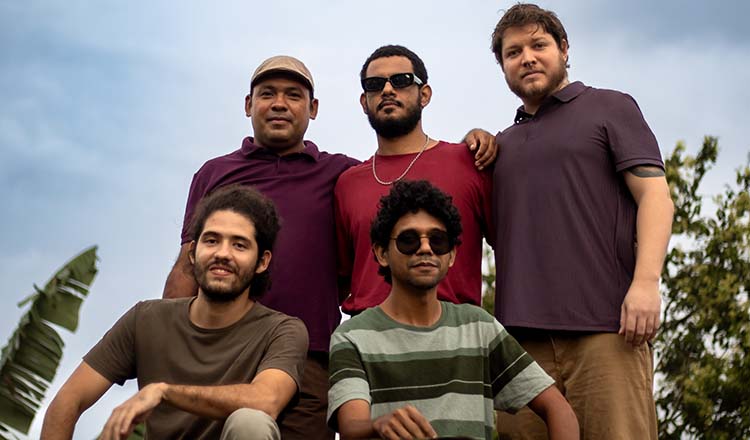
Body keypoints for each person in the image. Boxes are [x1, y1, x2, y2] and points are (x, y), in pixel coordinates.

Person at [162, 55, 497, 440]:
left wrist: (476, 141)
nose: (279, 103)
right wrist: (173, 344)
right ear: (249, 104)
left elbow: (404, 180)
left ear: (314, 108)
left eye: (293, 95)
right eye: (267, 94)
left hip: (310, 356)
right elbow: (188, 264)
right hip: (221, 345)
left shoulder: (342, 175)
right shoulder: (214, 173)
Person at [489, 4, 674, 439]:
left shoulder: (610, 107)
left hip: (606, 330)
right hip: (521, 345)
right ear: (503, 66)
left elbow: (655, 196)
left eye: (538, 45)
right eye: (513, 52)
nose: (527, 58)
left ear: (564, 49)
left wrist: (646, 283)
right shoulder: (502, 145)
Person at [41, 185, 308, 440]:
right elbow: (68, 400)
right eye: (211, 240)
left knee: (251, 422)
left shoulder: (282, 331)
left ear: (262, 261)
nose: (222, 253)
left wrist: (164, 392)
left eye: (239, 245)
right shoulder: (145, 319)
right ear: (192, 253)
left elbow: (266, 400)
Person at [328, 180, 579, 440]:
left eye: (438, 240)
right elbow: (350, 426)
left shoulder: (479, 327)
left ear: (452, 255)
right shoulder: (352, 336)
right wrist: (378, 424)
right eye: (408, 240)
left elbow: (558, 409)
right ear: (382, 253)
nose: (425, 248)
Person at [335, 45, 494, 316]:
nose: (387, 90)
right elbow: (340, 278)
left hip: (454, 330)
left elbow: (512, 248)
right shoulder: (347, 184)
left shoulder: (469, 163)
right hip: (369, 333)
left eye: (401, 81)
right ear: (364, 102)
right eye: (375, 84)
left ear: (425, 94)